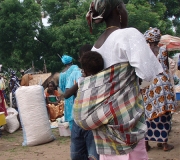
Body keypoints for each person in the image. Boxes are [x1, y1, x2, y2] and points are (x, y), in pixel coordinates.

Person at [74, 0, 163, 159]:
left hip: (105, 132)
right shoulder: (129, 34)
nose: (126, 12)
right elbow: (148, 74)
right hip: (126, 127)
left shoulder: (96, 46)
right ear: (118, 10)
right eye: (124, 8)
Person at [142, 27, 175, 152]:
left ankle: (146, 144)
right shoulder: (163, 50)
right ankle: (164, 144)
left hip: (148, 84)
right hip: (163, 85)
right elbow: (164, 67)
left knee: (148, 115)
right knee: (165, 114)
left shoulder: (144, 53)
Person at [64, 45, 99, 160]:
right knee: (77, 155)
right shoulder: (78, 76)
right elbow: (67, 94)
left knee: (93, 155)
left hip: (91, 122)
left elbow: (67, 94)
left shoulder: (99, 76)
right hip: (78, 121)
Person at [59, 55, 79, 130]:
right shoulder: (76, 69)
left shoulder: (62, 74)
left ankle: (73, 133)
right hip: (77, 96)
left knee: (71, 117)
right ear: (71, 61)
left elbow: (61, 87)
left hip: (67, 97)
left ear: (64, 64)